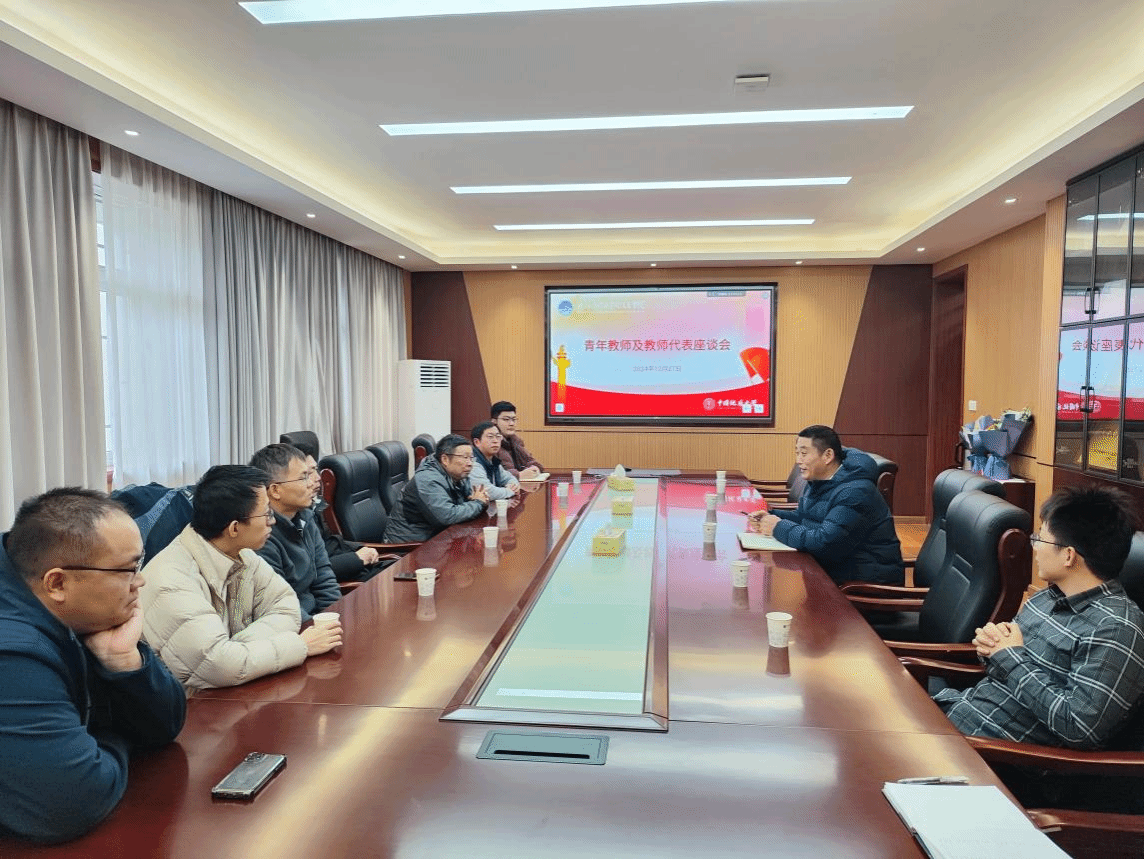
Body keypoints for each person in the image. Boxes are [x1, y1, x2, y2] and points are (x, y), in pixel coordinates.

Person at [0, 488, 186, 843]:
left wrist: (123, 661)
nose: (140, 581)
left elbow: (166, 726)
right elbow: (69, 803)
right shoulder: (12, 650)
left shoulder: (70, 607)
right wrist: (113, 737)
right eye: (129, 569)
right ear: (58, 583)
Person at [934, 486, 1144, 750]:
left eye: (1040, 539)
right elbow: (1005, 665)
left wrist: (1009, 657)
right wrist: (991, 647)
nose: (1034, 547)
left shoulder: (1115, 629)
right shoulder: (1047, 597)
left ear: (1068, 555)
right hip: (959, 717)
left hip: (995, 753)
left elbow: (1079, 728)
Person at [139, 465, 342, 691]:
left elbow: (285, 605)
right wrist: (298, 645)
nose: (272, 521)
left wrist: (236, 651)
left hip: (233, 690)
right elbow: (220, 666)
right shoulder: (172, 582)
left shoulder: (240, 553)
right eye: (266, 513)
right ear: (234, 528)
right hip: (189, 705)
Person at [748, 425, 903, 585]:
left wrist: (777, 527)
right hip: (836, 571)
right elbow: (804, 517)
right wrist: (771, 516)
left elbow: (825, 543)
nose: (798, 460)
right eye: (797, 453)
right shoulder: (820, 481)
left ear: (828, 455)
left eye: (804, 453)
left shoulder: (855, 492)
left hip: (864, 584)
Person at [249, 443, 341, 621]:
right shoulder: (261, 535)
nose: (312, 483)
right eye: (303, 478)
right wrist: (315, 629)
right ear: (275, 490)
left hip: (318, 621)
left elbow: (324, 578)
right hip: (291, 625)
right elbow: (279, 605)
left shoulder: (306, 517)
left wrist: (336, 617)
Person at [383, 434, 489, 543]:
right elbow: (447, 516)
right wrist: (478, 503)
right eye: (465, 458)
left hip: (437, 539)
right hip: (409, 545)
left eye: (471, 458)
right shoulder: (428, 479)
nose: (470, 464)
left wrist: (479, 500)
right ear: (445, 459)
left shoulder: (459, 475)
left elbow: (466, 503)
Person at [302, 454, 383, 582]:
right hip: (346, 581)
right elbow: (311, 571)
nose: (318, 478)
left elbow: (331, 543)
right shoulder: (286, 523)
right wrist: (356, 558)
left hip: (356, 568)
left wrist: (359, 549)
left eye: (316, 470)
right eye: (308, 473)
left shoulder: (308, 509)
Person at [491, 400, 543, 480]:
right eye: (506, 419)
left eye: (514, 419)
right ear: (494, 421)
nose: (511, 423)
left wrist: (535, 468)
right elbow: (492, 472)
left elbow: (529, 460)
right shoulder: (491, 443)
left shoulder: (515, 441)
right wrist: (518, 475)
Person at [470, 420, 520, 501]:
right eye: (490, 437)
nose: (495, 441)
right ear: (477, 442)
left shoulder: (493, 460)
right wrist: (510, 491)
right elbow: (488, 492)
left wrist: (513, 485)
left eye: (498, 436)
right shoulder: (472, 463)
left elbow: (510, 478)